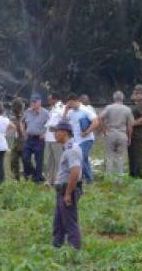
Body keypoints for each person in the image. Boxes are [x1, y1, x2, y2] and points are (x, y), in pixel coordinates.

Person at [51, 122, 82, 250]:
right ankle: (57, 247)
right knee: (58, 222)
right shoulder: (68, 148)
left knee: (69, 222)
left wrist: (68, 193)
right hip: (62, 190)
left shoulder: (71, 150)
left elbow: (75, 171)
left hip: (66, 190)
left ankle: (74, 251)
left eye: (56, 131)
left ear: (64, 132)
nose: (54, 134)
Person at [97, 91, 134, 177]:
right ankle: (119, 178)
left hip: (110, 134)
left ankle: (109, 178)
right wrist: (129, 137)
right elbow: (130, 125)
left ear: (114, 98)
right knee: (120, 157)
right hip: (122, 134)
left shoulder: (109, 108)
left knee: (110, 156)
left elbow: (99, 117)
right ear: (123, 98)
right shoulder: (127, 109)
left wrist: (103, 130)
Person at [63, 94, 95, 183]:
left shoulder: (85, 110)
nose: (71, 106)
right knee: (83, 159)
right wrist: (66, 110)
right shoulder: (71, 112)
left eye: (71, 104)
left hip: (87, 139)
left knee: (81, 158)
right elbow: (63, 122)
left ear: (76, 101)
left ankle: (89, 179)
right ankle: (85, 177)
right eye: (69, 104)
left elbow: (96, 121)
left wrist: (87, 132)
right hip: (76, 140)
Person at [128, 85, 142, 178]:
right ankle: (132, 173)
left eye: (138, 93)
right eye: (135, 93)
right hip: (132, 134)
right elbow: (132, 97)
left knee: (137, 155)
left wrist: (132, 123)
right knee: (131, 154)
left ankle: (138, 175)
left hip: (138, 134)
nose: (135, 95)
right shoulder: (135, 104)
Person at [44, 93, 65, 185]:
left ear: (55, 99)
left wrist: (57, 128)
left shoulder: (61, 107)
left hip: (56, 138)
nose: (48, 101)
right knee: (49, 160)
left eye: (50, 99)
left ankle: (59, 180)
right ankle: (49, 180)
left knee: (58, 160)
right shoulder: (52, 108)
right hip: (49, 137)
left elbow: (65, 120)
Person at [7, 98, 25, 181]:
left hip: (23, 140)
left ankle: (28, 177)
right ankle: (16, 178)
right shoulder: (13, 115)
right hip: (15, 140)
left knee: (25, 160)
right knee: (13, 160)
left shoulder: (24, 115)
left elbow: (23, 129)